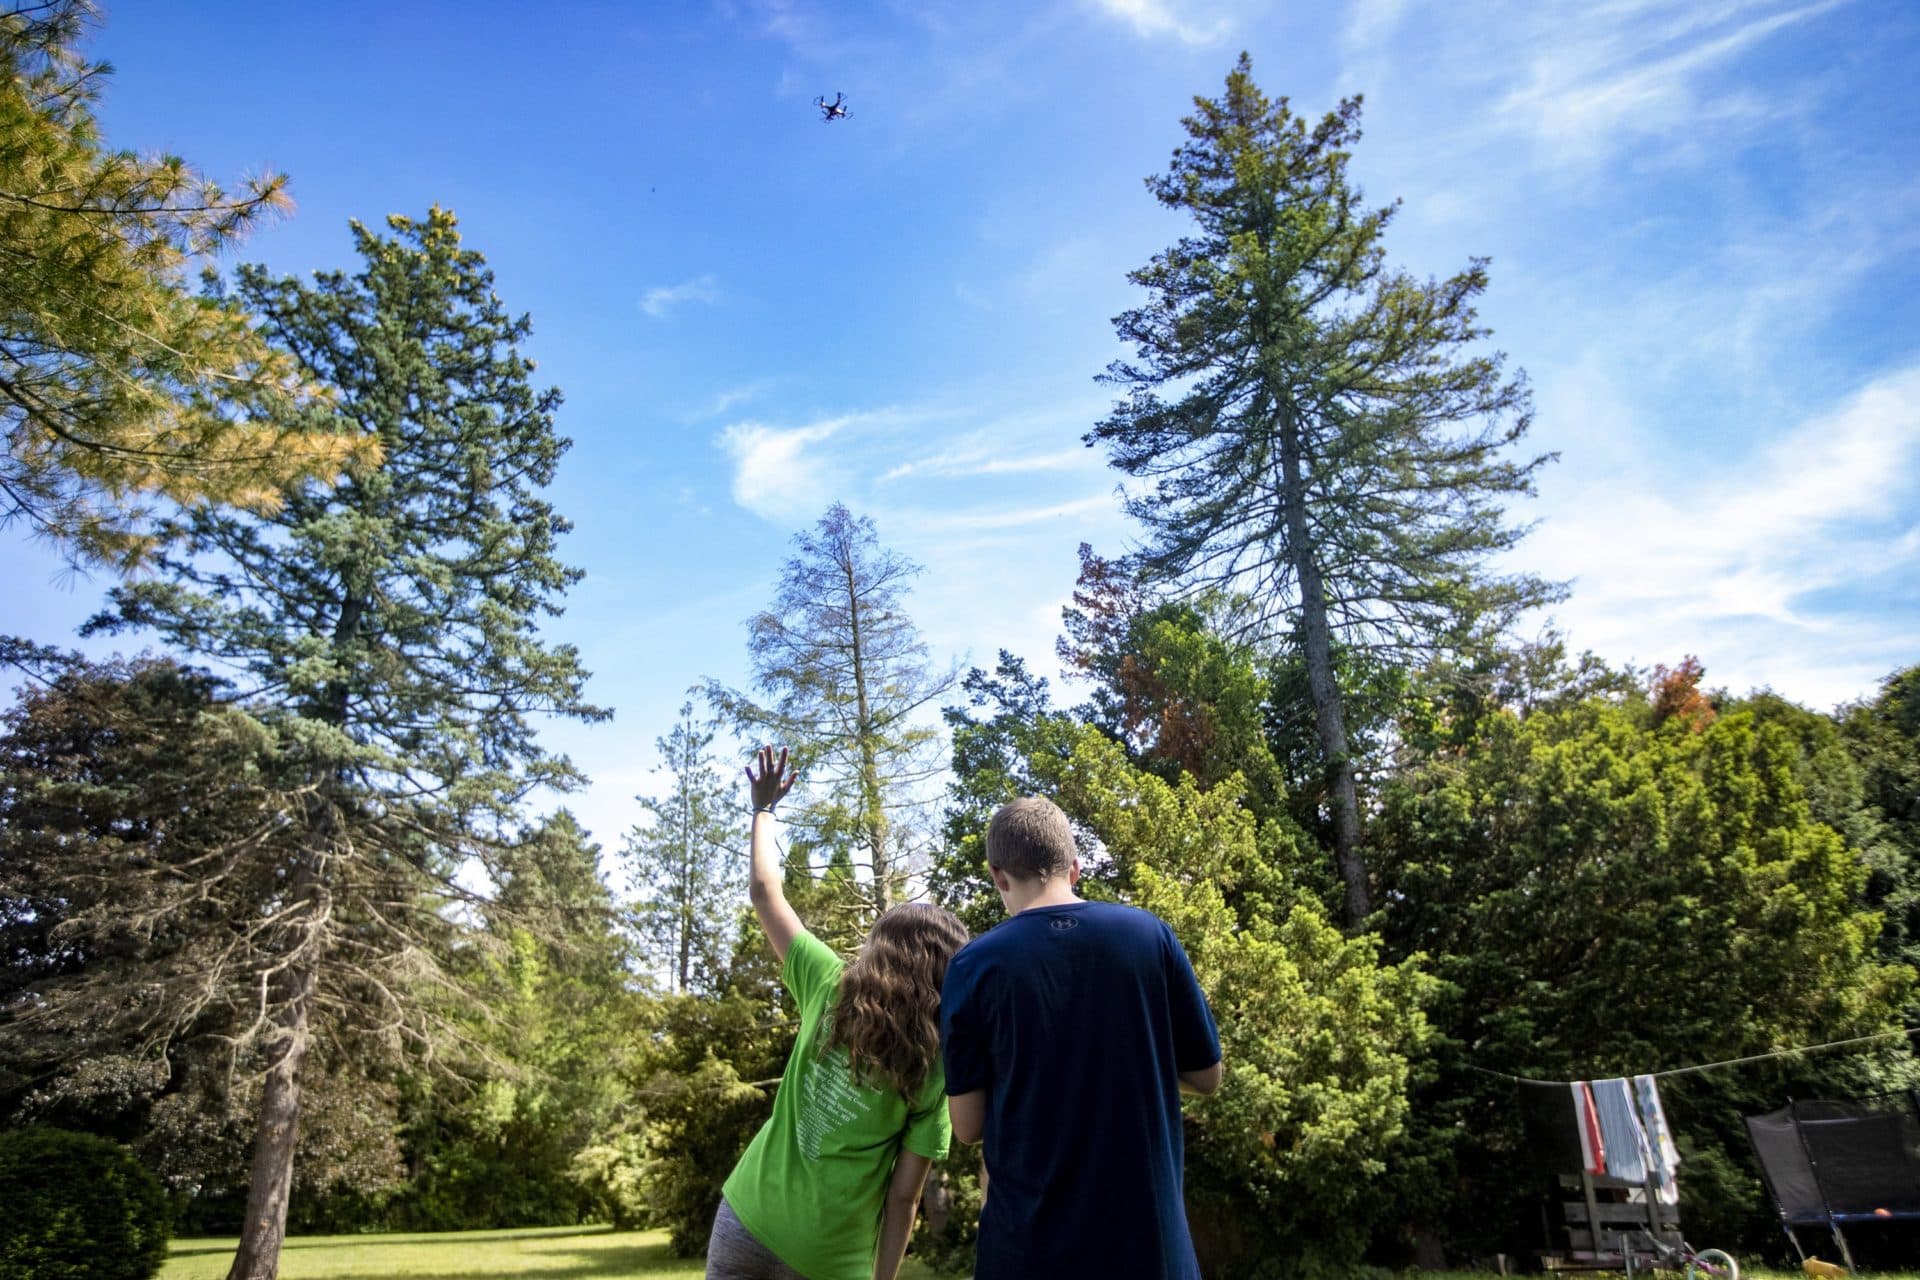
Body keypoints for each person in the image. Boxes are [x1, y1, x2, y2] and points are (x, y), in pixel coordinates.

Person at [708, 746, 971, 1280]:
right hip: (831, 1260)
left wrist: (763, 809)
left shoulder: (828, 984)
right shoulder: (934, 1067)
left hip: (747, 1218)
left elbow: (764, 891)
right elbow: (904, 1197)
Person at [940, 795, 1223, 1280]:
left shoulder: (974, 966)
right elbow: (1207, 1076)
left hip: (1029, 1255)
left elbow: (968, 1126)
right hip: (1151, 1252)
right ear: (1073, 868)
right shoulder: (1150, 936)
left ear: (998, 876)